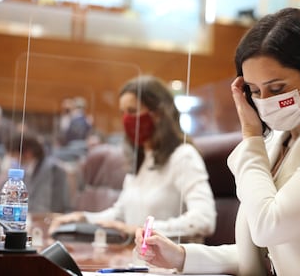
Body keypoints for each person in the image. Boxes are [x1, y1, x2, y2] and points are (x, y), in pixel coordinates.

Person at [134, 8, 300, 275]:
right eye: (255, 91)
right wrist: (180, 256)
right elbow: (264, 253)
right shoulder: (275, 143)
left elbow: (270, 226)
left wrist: (251, 135)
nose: (264, 101)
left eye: (277, 88)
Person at [49, 75, 216, 242]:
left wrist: (142, 230)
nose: (126, 119)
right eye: (123, 113)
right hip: (134, 258)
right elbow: (120, 215)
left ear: (158, 114)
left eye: (133, 111)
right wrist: (83, 218)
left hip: (170, 263)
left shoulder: (184, 156)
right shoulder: (142, 158)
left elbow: (204, 220)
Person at [0, 131, 71, 213]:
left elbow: (46, 205)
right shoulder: (28, 168)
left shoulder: (53, 169)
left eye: (14, 155)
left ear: (28, 153)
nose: (14, 159)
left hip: (48, 218)